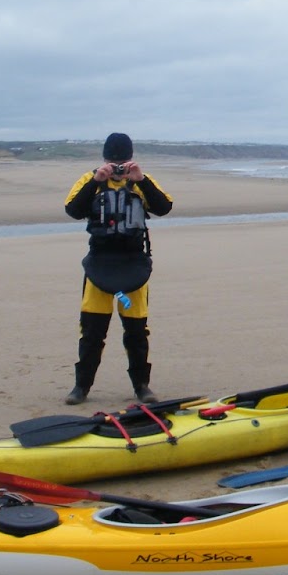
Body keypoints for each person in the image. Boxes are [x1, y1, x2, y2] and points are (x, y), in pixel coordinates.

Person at [62, 132, 174, 406]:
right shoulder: (90, 180)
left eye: (122, 161)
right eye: (113, 161)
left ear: (131, 159)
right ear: (104, 159)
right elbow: (73, 210)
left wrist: (142, 180)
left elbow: (164, 207)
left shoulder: (141, 182)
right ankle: (81, 387)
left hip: (132, 268)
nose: (118, 166)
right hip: (100, 267)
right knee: (92, 331)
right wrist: (96, 181)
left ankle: (142, 386)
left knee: (136, 331)